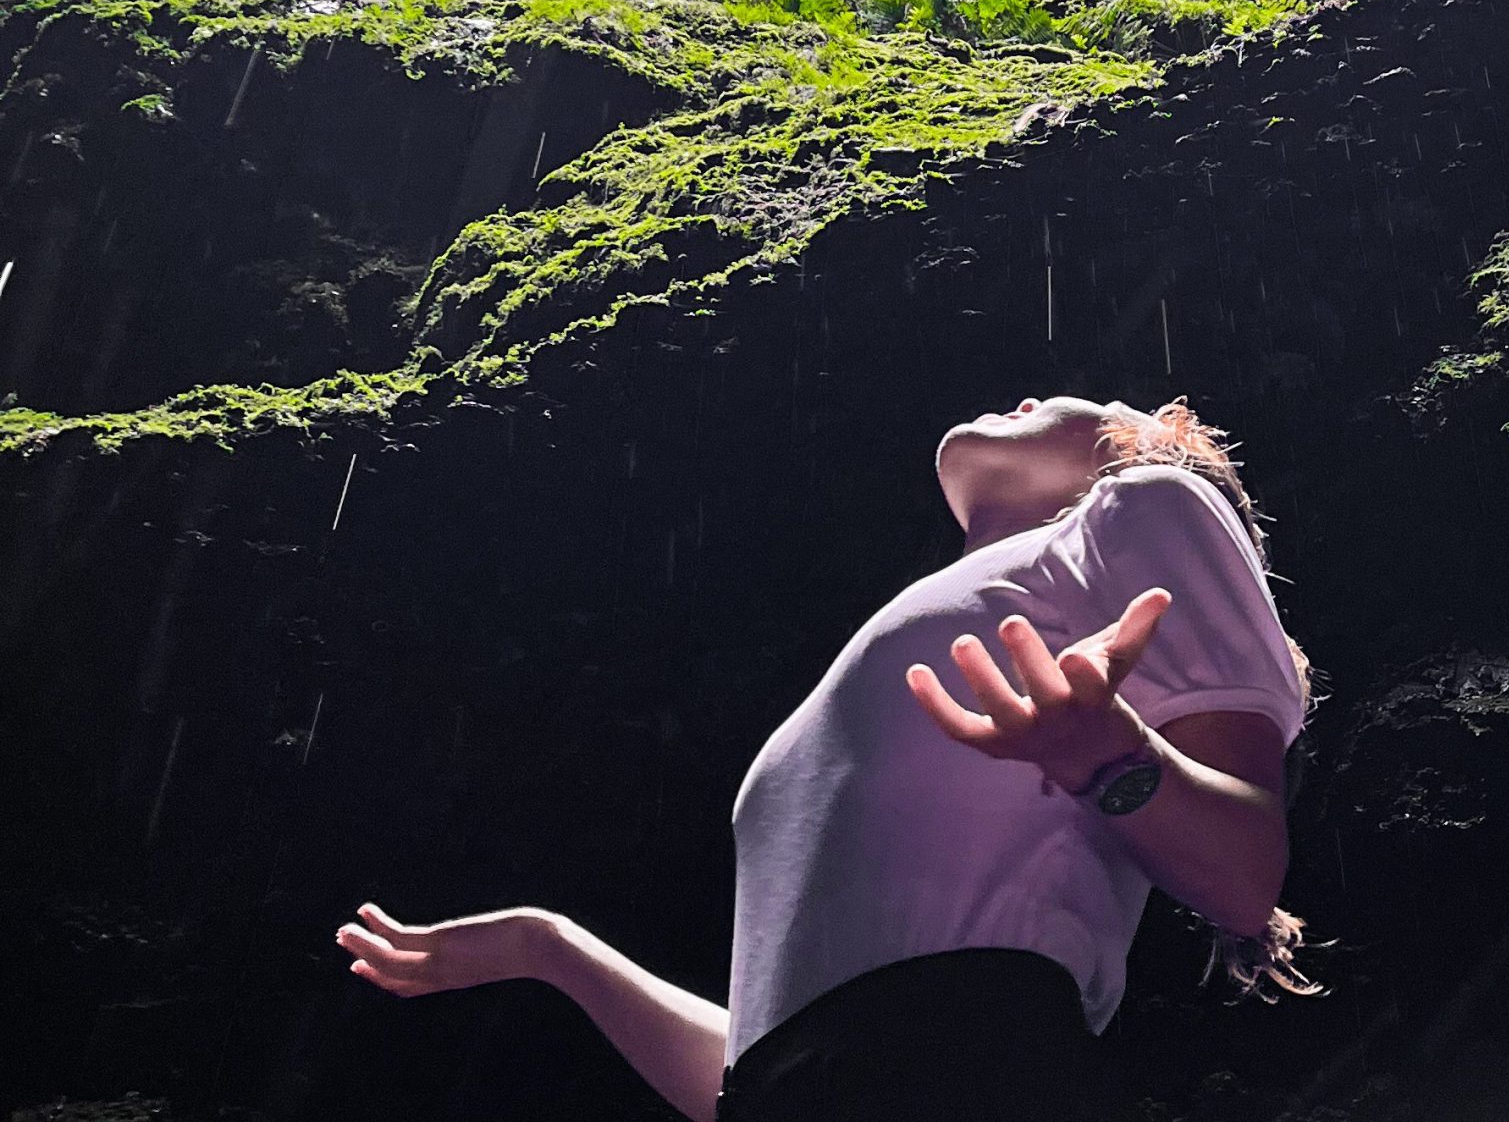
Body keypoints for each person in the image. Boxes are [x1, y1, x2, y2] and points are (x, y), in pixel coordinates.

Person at [335, 395, 1320, 1121]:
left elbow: (1242, 879)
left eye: (1088, 395)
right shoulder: (927, 626)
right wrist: (547, 950)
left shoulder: (1142, 506)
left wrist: (1112, 756)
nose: (1032, 394)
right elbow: (768, 1072)